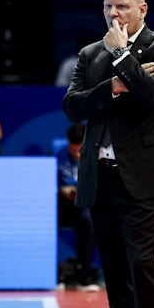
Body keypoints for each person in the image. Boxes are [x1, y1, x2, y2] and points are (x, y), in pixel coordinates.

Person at [61, 0, 154, 308]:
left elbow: (152, 97)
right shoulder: (89, 54)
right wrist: (114, 85)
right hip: (102, 178)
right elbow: (72, 106)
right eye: (108, 6)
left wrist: (122, 56)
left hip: (144, 178)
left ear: (142, 9)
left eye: (122, 7)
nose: (113, 14)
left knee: (142, 267)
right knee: (115, 274)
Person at [56, 122, 99, 292]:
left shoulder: (95, 157)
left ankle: (84, 276)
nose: (76, 152)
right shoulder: (57, 155)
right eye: (73, 148)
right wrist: (61, 190)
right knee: (45, 221)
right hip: (61, 206)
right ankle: (52, 276)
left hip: (83, 206)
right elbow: (45, 181)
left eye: (79, 148)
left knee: (89, 222)